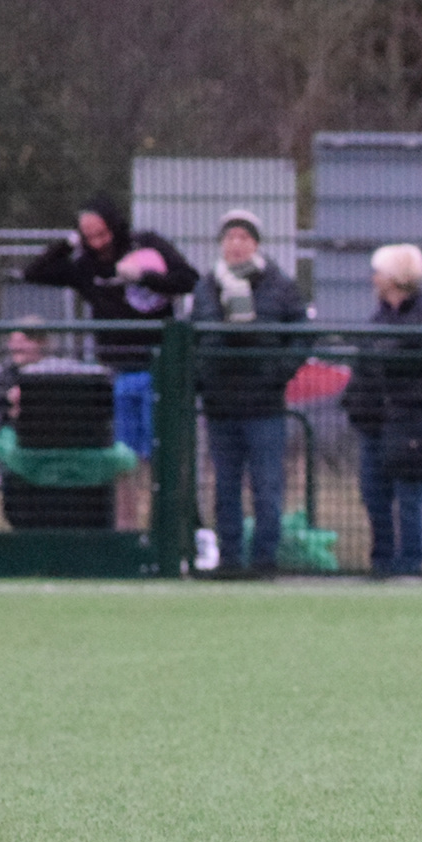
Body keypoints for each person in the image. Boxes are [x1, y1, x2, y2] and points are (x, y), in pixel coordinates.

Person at [20, 195, 197, 465]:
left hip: (158, 366)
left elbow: (188, 280)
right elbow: (33, 272)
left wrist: (144, 277)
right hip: (117, 368)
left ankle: (158, 506)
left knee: (161, 450)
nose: (98, 243)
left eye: (102, 234)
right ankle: (127, 507)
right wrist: (68, 244)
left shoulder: (145, 244)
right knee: (123, 456)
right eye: (89, 237)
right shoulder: (85, 267)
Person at [189, 208, 309, 577]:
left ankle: (264, 561)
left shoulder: (280, 285)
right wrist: (204, 377)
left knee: (266, 488)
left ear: (255, 243)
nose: (236, 245)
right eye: (230, 237)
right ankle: (229, 560)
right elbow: (195, 337)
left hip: (264, 404)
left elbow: (301, 335)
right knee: (224, 488)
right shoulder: (207, 286)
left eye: (243, 237)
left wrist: (276, 372)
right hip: (221, 404)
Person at [342, 243, 422, 577]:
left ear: (395, 277)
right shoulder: (380, 316)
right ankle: (382, 561)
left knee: (409, 498)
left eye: (379, 271)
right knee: (374, 496)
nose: (374, 278)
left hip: (409, 425)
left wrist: (403, 404)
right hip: (374, 423)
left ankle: (409, 564)